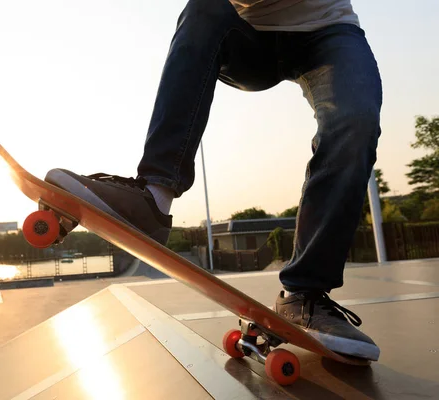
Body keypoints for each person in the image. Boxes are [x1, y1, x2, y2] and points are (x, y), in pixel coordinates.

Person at [46, 0, 381, 361]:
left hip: (328, 29)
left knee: (356, 119)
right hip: (246, 32)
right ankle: (154, 198)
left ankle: (305, 295)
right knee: (203, 8)